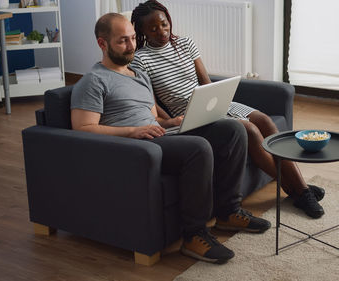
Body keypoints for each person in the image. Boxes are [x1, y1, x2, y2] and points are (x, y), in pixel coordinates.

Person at [70, 13, 271, 264]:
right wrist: (132, 132)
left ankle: (228, 212)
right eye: (123, 41)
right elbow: (83, 128)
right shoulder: (92, 81)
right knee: (199, 148)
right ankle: (193, 236)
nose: (132, 46)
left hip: (159, 134)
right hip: (135, 147)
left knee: (233, 130)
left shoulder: (139, 75)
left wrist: (172, 122)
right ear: (102, 43)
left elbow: (152, 117)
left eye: (133, 38)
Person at [130, 0, 325, 219]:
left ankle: (298, 189)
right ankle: (301, 191)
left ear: (169, 21)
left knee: (265, 120)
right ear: (142, 31)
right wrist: (172, 121)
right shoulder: (141, 60)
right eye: (153, 29)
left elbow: (206, 83)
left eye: (164, 24)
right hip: (188, 115)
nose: (162, 31)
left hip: (211, 103)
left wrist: (219, 101)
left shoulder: (186, 44)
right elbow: (152, 102)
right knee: (249, 130)